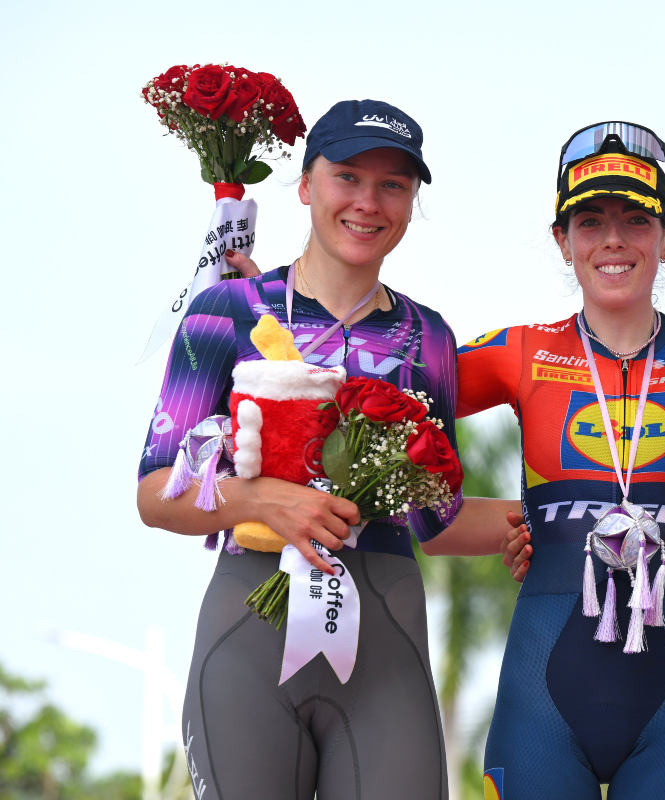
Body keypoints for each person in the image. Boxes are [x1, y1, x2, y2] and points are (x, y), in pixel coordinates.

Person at [136, 99, 519, 800]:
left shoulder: (426, 336)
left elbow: (438, 518)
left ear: (411, 202)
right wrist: (259, 501)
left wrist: (560, 521)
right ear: (307, 184)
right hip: (248, 631)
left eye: (393, 185)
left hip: (387, 651)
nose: (369, 202)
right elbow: (156, 491)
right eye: (348, 177)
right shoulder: (228, 311)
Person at [456, 122, 665, 800]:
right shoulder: (518, 351)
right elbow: (379, 401)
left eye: (635, 220)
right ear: (563, 240)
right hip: (543, 706)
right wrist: (510, 524)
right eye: (590, 222)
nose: (612, 240)